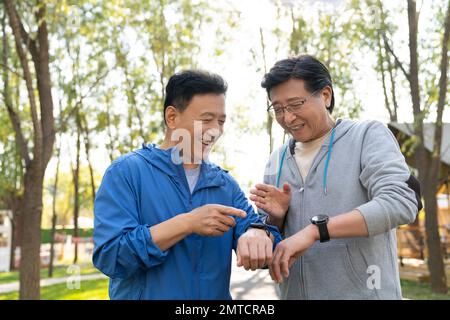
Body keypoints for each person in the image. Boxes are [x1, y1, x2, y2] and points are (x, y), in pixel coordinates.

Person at [93, 70, 281, 299]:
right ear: (172, 117)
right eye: (206, 119)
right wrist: (187, 223)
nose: (216, 130)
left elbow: (263, 247)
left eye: (221, 121)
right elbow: (111, 257)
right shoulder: (126, 173)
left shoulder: (225, 185)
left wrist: (260, 232)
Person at [249, 55, 422, 299]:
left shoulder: (367, 136)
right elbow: (272, 243)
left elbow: (401, 202)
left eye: (296, 104)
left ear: (326, 95)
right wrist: (275, 220)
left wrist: (315, 230)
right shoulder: (275, 160)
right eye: (278, 109)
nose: (287, 118)